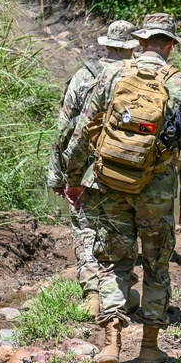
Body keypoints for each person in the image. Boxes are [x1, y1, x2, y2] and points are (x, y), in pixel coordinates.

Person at [63, 13, 181, 363]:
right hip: (157, 190)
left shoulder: (112, 73)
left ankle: (111, 343)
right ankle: (150, 347)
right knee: (157, 265)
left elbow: (83, 130)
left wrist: (75, 176)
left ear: (139, 43)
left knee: (114, 262)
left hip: (110, 182)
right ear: (170, 45)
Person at [48, 21, 141, 317]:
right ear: (132, 46)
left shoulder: (84, 76)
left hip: (86, 163)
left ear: (107, 44)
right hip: (127, 165)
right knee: (123, 228)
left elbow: (65, 126)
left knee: (87, 228)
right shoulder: (141, 75)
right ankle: (121, 292)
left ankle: (92, 294)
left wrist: (59, 174)